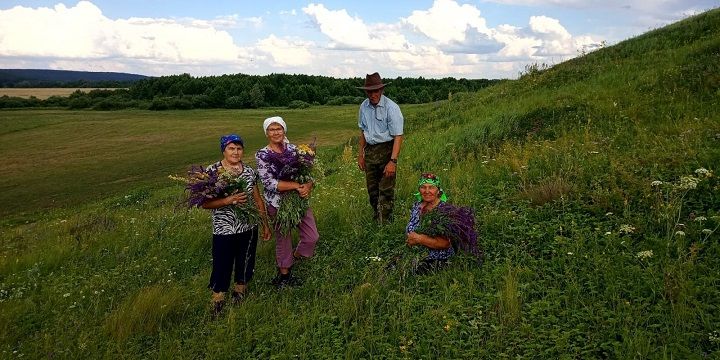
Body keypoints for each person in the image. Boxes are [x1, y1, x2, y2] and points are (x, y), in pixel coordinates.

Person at [201, 134, 271, 316]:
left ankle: (240, 292)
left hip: (248, 226)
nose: (236, 152)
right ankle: (218, 300)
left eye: (239, 148)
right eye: (231, 148)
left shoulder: (249, 172)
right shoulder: (213, 171)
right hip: (224, 229)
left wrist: (264, 225)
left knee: (246, 260)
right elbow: (205, 203)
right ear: (223, 150)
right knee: (222, 263)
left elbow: (258, 200)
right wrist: (228, 200)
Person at [255, 116, 320, 288]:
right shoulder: (263, 154)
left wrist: (308, 186)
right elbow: (269, 182)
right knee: (283, 238)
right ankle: (284, 276)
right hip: (277, 203)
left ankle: (295, 256)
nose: (276, 132)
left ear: (284, 130)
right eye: (271, 129)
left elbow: (308, 172)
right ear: (266, 133)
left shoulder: (294, 150)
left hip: (298, 200)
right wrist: (296, 185)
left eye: (279, 128)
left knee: (312, 236)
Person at [405, 172, 480, 275]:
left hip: (437, 259)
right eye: (423, 187)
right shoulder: (416, 206)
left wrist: (419, 239)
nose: (427, 191)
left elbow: (445, 243)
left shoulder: (445, 211)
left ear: (438, 190)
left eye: (431, 187)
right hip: (415, 254)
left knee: (411, 275)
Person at [356, 72, 404, 223]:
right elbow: (363, 131)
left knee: (386, 190)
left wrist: (393, 161)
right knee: (372, 190)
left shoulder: (392, 108)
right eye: (369, 91)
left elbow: (398, 136)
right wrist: (360, 155)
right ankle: (376, 218)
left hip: (387, 151)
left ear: (381, 90)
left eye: (375, 91)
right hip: (370, 151)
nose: (372, 95)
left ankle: (386, 224)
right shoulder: (364, 106)